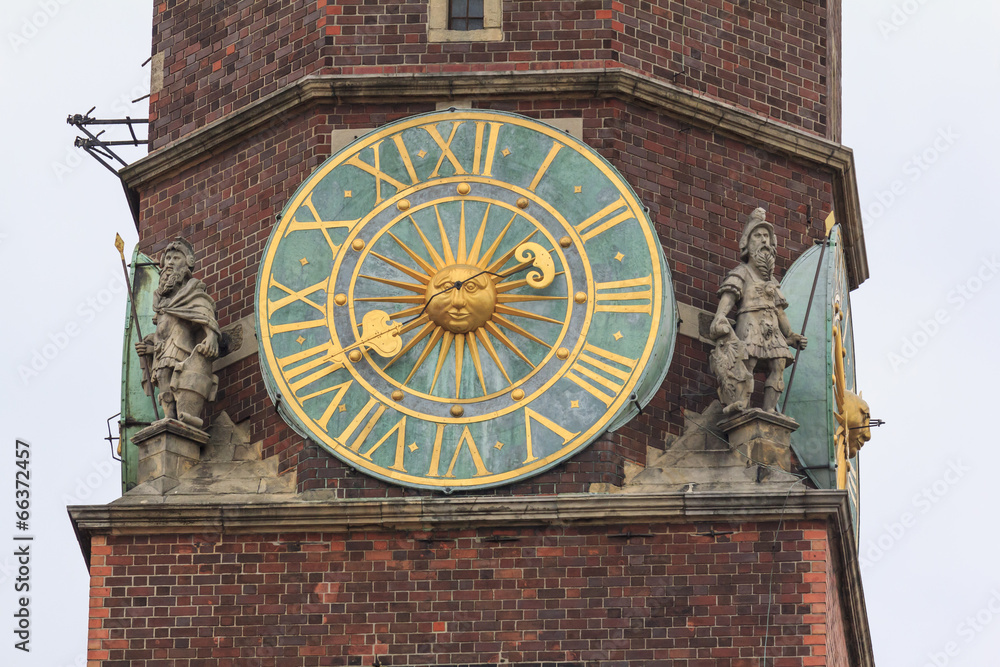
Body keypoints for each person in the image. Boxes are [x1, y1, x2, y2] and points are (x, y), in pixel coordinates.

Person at [710, 208, 807, 414]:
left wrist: (790, 334)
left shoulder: (772, 281)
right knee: (748, 362)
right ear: (748, 242)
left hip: (772, 326)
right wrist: (720, 316)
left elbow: (780, 311)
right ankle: (742, 404)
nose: (763, 240)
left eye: (766, 236)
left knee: (778, 363)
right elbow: (730, 296)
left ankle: (770, 410)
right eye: (758, 235)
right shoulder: (742, 272)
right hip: (750, 321)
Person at [135, 239, 220, 429]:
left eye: (176, 257)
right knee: (163, 377)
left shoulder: (191, 293)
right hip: (163, 347)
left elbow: (203, 313)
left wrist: (212, 335)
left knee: (176, 378)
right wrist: (149, 348)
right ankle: (169, 416)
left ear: (187, 263)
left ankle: (179, 416)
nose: (171, 262)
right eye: (168, 258)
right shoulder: (161, 302)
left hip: (180, 345)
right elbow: (160, 331)